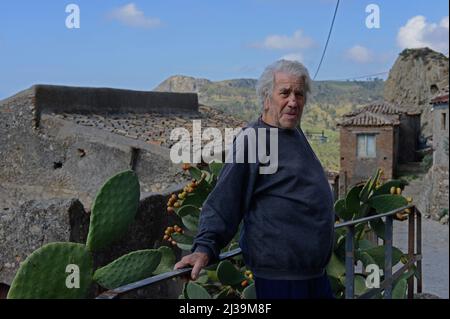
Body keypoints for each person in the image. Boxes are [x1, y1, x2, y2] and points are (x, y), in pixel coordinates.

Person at [174, 60, 335, 299]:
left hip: (313, 275)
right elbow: (226, 199)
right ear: (266, 97)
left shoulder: (293, 133)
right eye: (285, 93)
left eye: (299, 94)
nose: (293, 102)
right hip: (282, 280)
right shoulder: (254, 140)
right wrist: (205, 247)